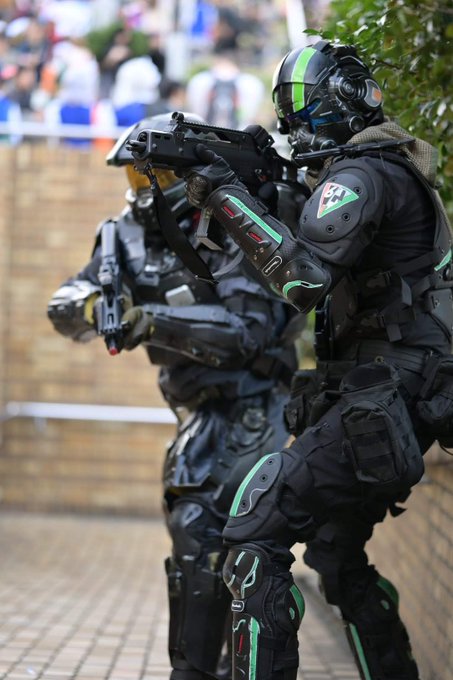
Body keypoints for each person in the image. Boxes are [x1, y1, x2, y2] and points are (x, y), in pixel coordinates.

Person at [178, 40, 453, 680]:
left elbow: (302, 280)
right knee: (335, 554)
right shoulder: (380, 168)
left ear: (339, 102)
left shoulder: (366, 173)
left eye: (301, 106)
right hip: (393, 396)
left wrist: (224, 194)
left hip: (392, 395)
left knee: (254, 529)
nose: (293, 121)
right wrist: (255, 188)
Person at [47, 112, 306, 680]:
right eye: (134, 177)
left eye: (153, 176)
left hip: (255, 400)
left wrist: (150, 320)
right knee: (199, 538)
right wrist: (93, 307)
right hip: (197, 411)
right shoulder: (125, 235)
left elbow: (246, 333)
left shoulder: (233, 221)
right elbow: (62, 303)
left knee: (222, 537)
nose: (141, 189)